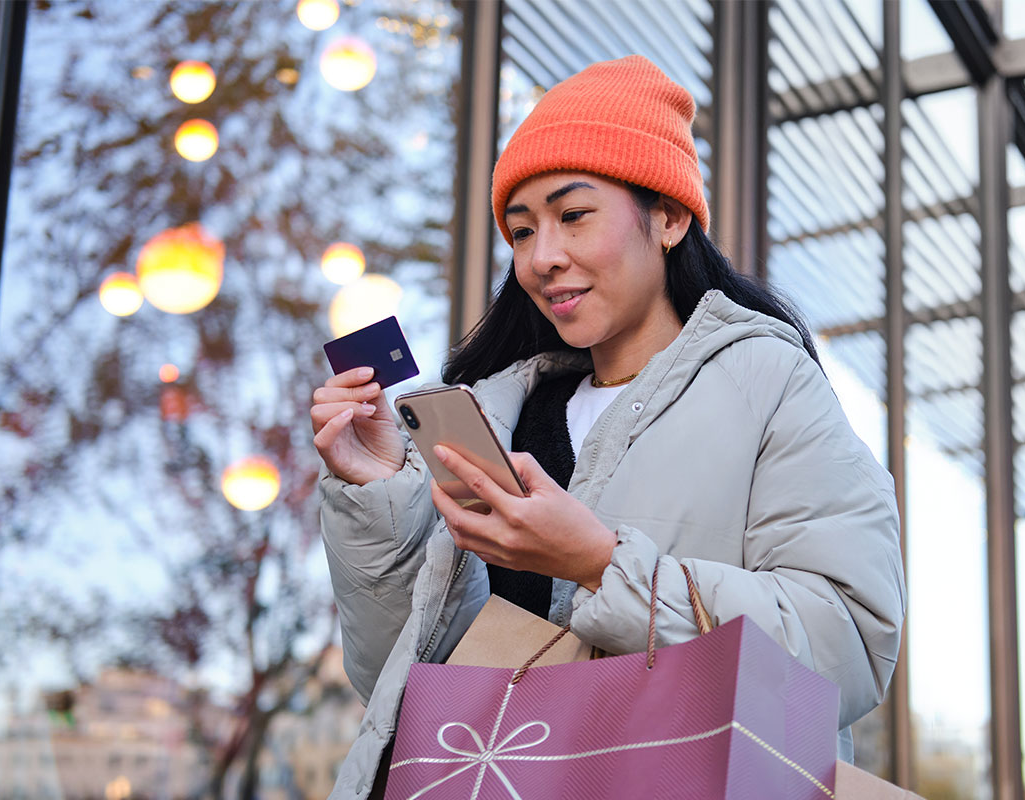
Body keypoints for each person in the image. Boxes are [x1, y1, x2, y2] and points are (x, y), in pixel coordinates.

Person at [310, 55, 905, 799]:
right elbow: (406, 687)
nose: (542, 257)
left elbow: (847, 648)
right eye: (521, 231)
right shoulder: (498, 412)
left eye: (574, 214)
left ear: (669, 217)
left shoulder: (769, 384)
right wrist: (382, 503)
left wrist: (602, 565)